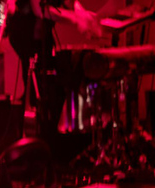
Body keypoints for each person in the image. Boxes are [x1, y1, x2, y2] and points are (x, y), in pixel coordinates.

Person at [6, 0, 102, 139]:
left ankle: (46, 135)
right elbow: (39, 9)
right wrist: (76, 19)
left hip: (42, 33)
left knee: (47, 82)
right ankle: (32, 137)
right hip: (26, 32)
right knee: (35, 84)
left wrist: (81, 13)